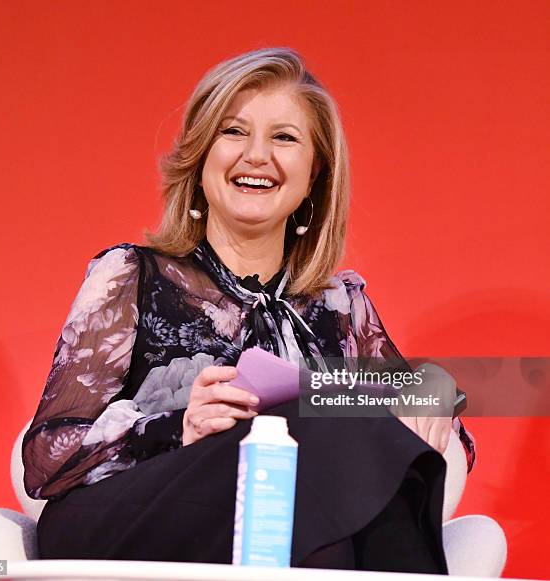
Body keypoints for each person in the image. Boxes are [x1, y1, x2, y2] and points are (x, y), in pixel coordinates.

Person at [23, 47, 476, 572]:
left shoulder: (340, 305)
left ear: (314, 177)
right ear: (200, 158)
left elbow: (428, 450)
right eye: (233, 132)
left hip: (289, 522)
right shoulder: (132, 274)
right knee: (314, 430)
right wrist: (178, 426)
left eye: (284, 137)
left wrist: (434, 389)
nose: (256, 155)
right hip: (135, 522)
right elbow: (43, 458)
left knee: (334, 472)